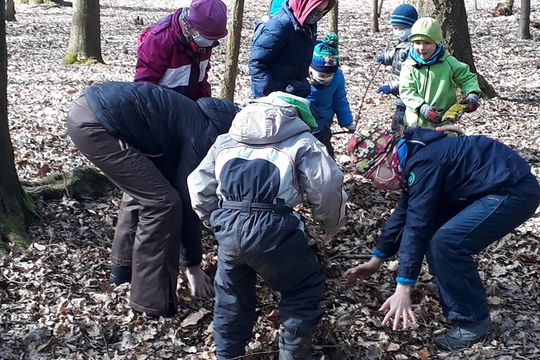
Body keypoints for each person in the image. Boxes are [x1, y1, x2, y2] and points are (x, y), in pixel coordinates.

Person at [345, 124, 540, 350]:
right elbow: (404, 214)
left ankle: (472, 322)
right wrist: (376, 260)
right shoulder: (412, 157)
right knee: (435, 233)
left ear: (385, 161)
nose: (376, 184)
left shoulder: (424, 163)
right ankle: (453, 287)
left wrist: (403, 286)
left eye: (373, 176)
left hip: (513, 191)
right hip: (489, 188)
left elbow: (416, 225)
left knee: (447, 242)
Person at [187, 92, 347, 359]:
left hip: (228, 225)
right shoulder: (303, 142)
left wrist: (214, 219)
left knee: (230, 297)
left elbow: (199, 185)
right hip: (274, 227)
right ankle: (293, 354)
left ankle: (228, 355)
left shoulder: (225, 140)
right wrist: (330, 224)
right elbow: (327, 185)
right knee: (302, 286)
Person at [66, 82, 237, 317]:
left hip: (89, 109)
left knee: (148, 190)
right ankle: (150, 303)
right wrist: (193, 266)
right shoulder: (207, 137)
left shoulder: (205, 117)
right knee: (163, 202)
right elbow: (187, 201)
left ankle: (122, 271)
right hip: (96, 124)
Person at [134, 0, 228, 101]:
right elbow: (144, 87)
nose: (210, 43)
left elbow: (202, 78)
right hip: (163, 109)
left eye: (213, 40)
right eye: (207, 39)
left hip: (191, 109)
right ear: (192, 27)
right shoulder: (159, 40)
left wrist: (205, 106)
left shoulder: (204, 44)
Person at [399, 17, 481, 129]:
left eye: (427, 43)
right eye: (417, 43)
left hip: (442, 124)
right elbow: (406, 91)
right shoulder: (409, 65)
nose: (422, 48)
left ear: (436, 42)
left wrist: (472, 94)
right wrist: (421, 107)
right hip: (413, 125)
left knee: (447, 145)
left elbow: (466, 77)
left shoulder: (447, 62)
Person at [249, 0, 336, 99]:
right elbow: (257, 62)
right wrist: (268, 96)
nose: (317, 15)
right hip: (275, 95)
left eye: (322, 11)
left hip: (294, 91)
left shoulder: (308, 25)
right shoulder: (279, 26)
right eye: (315, 9)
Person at [307, 32, 355, 158]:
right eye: (322, 75)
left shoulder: (337, 78)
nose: (325, 79)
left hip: (325, 123)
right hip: (305, 124)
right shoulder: (302, 79)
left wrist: (346, 122)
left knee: (327, 153)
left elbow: (340, 100)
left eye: (329, 76)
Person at [375, 4, 418, 132]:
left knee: (399, 125)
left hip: (407, 97)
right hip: (401, 97)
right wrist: (385, 57)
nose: (398, 31)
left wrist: (392, 87)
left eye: (402, 28)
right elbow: (396, 54)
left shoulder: (414, 48)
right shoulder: (403, 44)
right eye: (395, 28)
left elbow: (409, 77)